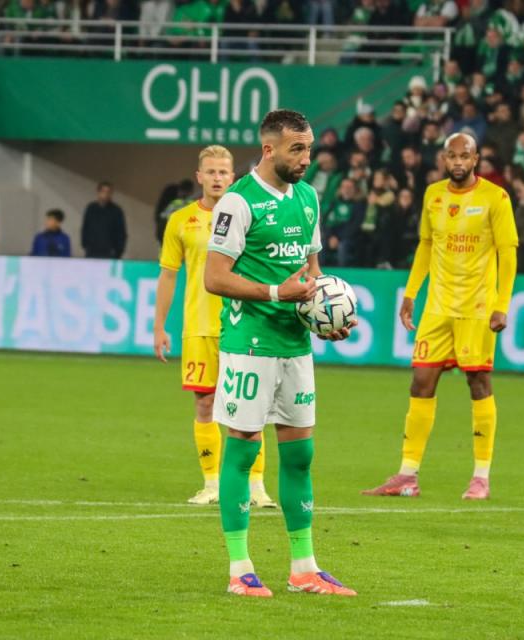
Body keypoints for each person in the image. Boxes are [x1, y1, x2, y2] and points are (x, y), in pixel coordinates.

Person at [204, 109, 356, 598]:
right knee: (243, 450)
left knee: (300, 455)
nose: (307, 158)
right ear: (269, 149)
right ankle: (240, 568)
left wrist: (327, 315)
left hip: (295, 344)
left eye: (309, 148)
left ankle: (304, 568)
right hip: (250, 344)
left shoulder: (308, 198)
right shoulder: (238, 202)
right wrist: (275, 293)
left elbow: (312, 273)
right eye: (297, 149)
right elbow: (214, 278)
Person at [363, 132, 519, 500]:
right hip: (437, 307)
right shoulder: (433, 195)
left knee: (478, 382)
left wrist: (502, 304)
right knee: (420, 382)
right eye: (452, 156)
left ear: (476, 159)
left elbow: (508, 252)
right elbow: (426, 245)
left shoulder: (495, 197)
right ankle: (407, 475)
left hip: (477, 307)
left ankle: (481, 477)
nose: (458, 162)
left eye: (465, 156)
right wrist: (411, 293)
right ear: (444, 159)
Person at [154, 145, 276, 509]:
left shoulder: (248, 214)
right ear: (200, 177)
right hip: (199, 326)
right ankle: (212, 484)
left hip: (243, 323)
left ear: (233, 177)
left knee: (250, 407)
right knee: (205, 403)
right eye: (211, 172)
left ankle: (257, 487)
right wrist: (159, 326)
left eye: (224, 172)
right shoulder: (181, 221)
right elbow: (168, 275)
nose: (218, 178)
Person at [81, 181, 127, 259]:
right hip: (92, 251)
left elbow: (121, 233)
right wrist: (85, 245)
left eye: (109, 192)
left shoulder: (117, 211)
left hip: (110, 252)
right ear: (98, 192)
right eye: (103, 191)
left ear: (111, 194)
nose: (106, 194)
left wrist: (119, 251)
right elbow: (85, 228)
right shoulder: (91, 208)